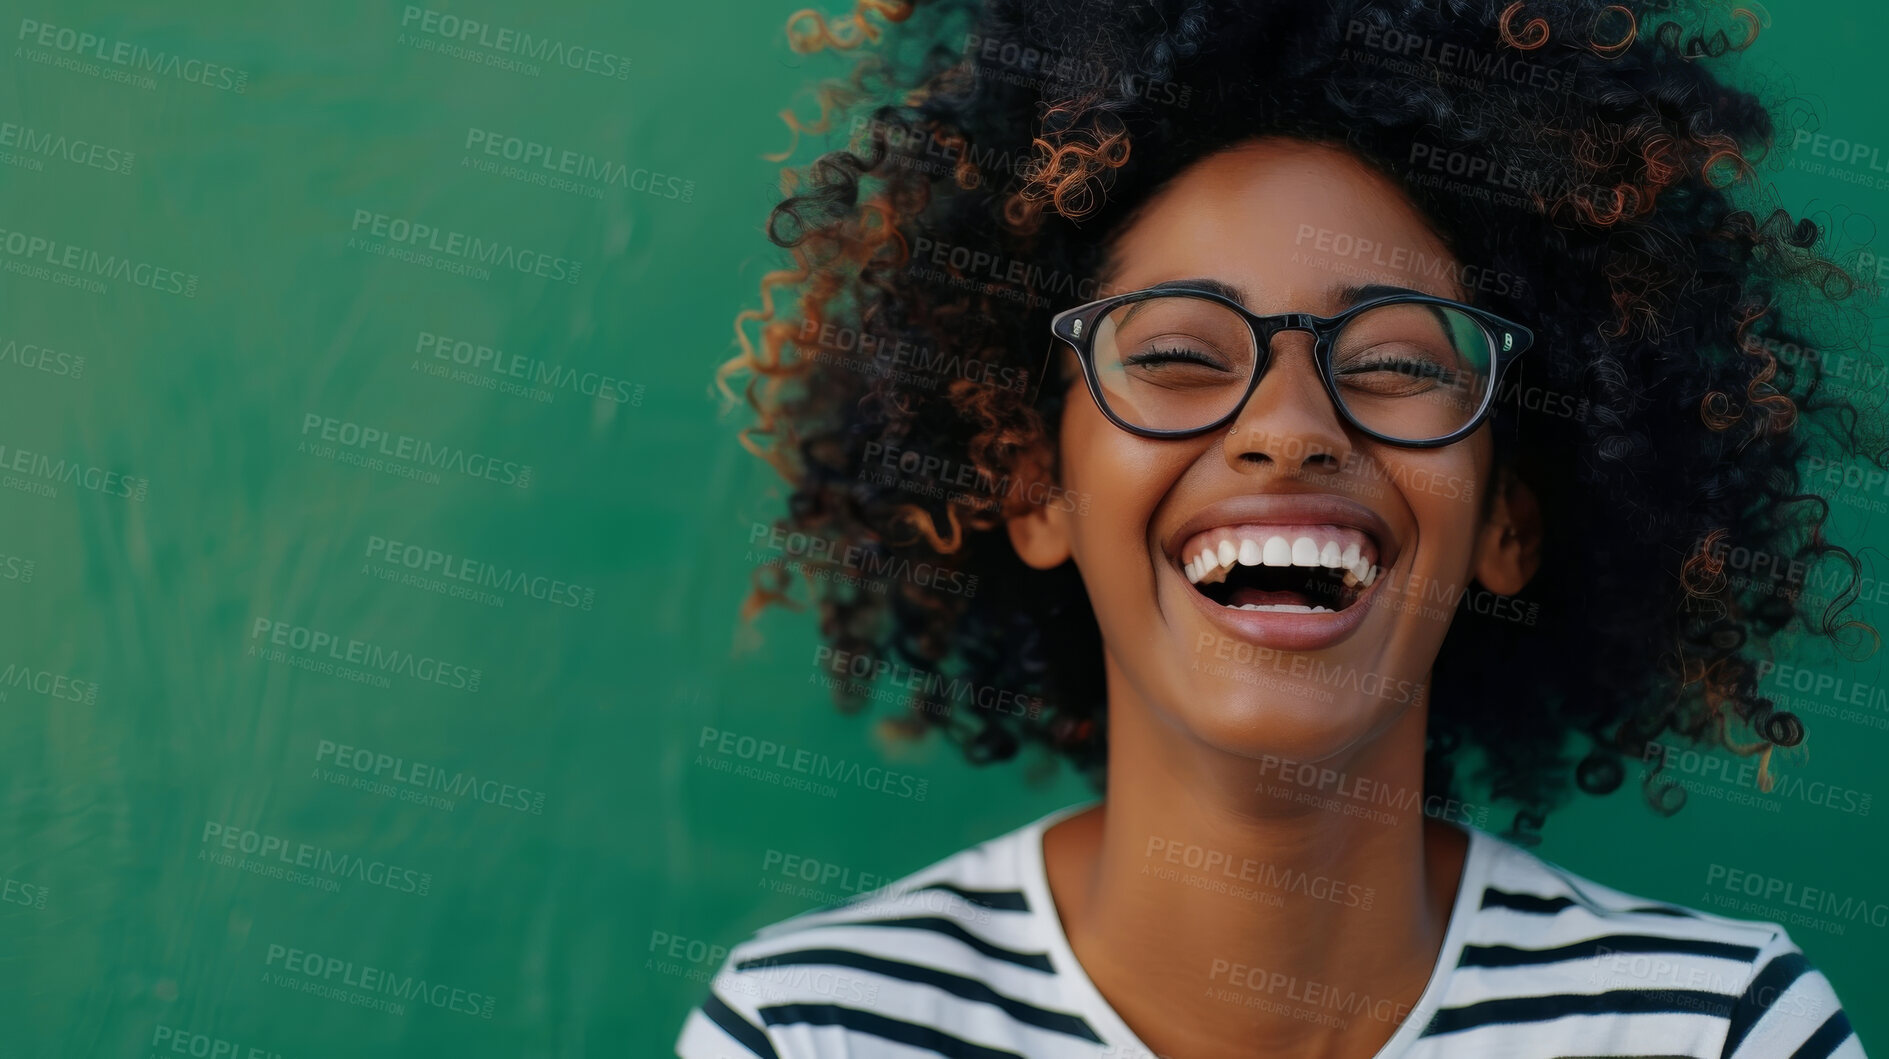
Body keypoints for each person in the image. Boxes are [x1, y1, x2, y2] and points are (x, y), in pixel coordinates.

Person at [680, 0, 1879, 1054]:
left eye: (1398, 360)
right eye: (1172, 353)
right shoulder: (811, 1030)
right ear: (1032, 485)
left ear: (1509, 519)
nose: (1289, 425)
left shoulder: (1718, 1028)